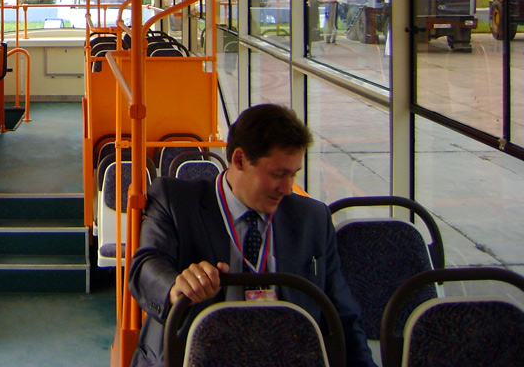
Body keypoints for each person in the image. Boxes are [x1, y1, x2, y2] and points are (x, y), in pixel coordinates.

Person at [127, 104, 377, 367]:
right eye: (278, 175)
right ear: (239, 160)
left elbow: (342, 318)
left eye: (293, 175)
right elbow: (146, 266)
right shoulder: (177, 201)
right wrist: (176, 287)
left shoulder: (312, 219)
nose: (287, 189)